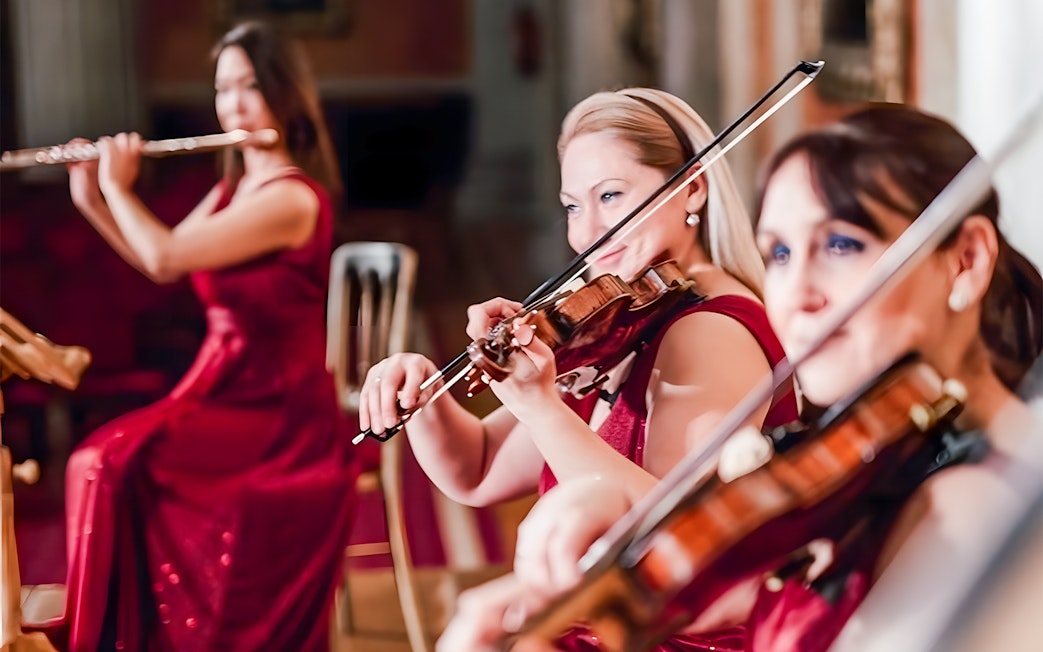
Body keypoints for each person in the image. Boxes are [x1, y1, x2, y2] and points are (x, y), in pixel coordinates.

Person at [436, 104, 1043, 652]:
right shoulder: (879, 462)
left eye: (839, 244)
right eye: (779, 253)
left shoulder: (980, 508)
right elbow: (756, 594)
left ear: (965, 262)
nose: (795, 295)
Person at [359, 87, 796, 526]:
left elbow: (676, 529)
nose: (587, 232)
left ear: (693, 188)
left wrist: (538, 405)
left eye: (610, 196)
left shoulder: (710, 331)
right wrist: (420, 388)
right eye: (572, 206)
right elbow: (481, 468)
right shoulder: (623, 325)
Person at [62, 21, 354, 652]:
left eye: (250, 85)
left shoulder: (292, 199)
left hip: (281, 412)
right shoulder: (233, 188)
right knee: (100, 463)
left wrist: (119, 185)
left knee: (104, 464)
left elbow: (166, 256)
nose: (234, 104)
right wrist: (93, 199)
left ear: (284, 92)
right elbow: (157, 261)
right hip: (224, 384)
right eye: (223, 89)